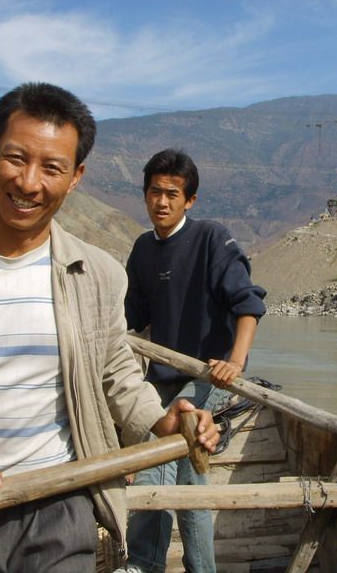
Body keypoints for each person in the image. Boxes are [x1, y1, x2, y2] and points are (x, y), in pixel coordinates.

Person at [0, 84, 219, 573]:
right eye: (16, 158)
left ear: (75, 178)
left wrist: (163, 421)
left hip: (61, 504)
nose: (29, 183)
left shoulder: (97, 275)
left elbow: (114, 372)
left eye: (52, 167)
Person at [122, 149, 267, 573]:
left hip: (208, 376)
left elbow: (248, 305)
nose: (162, 202)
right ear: (145, 195)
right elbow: (131, 319)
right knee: (184, 471)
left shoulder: (211, 238)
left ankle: (147, 564)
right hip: (163, 377)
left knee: (164, 454)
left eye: (172, 194)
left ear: (190, 200)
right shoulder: (143, 249)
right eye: (155, 192)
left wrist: (234, 362)